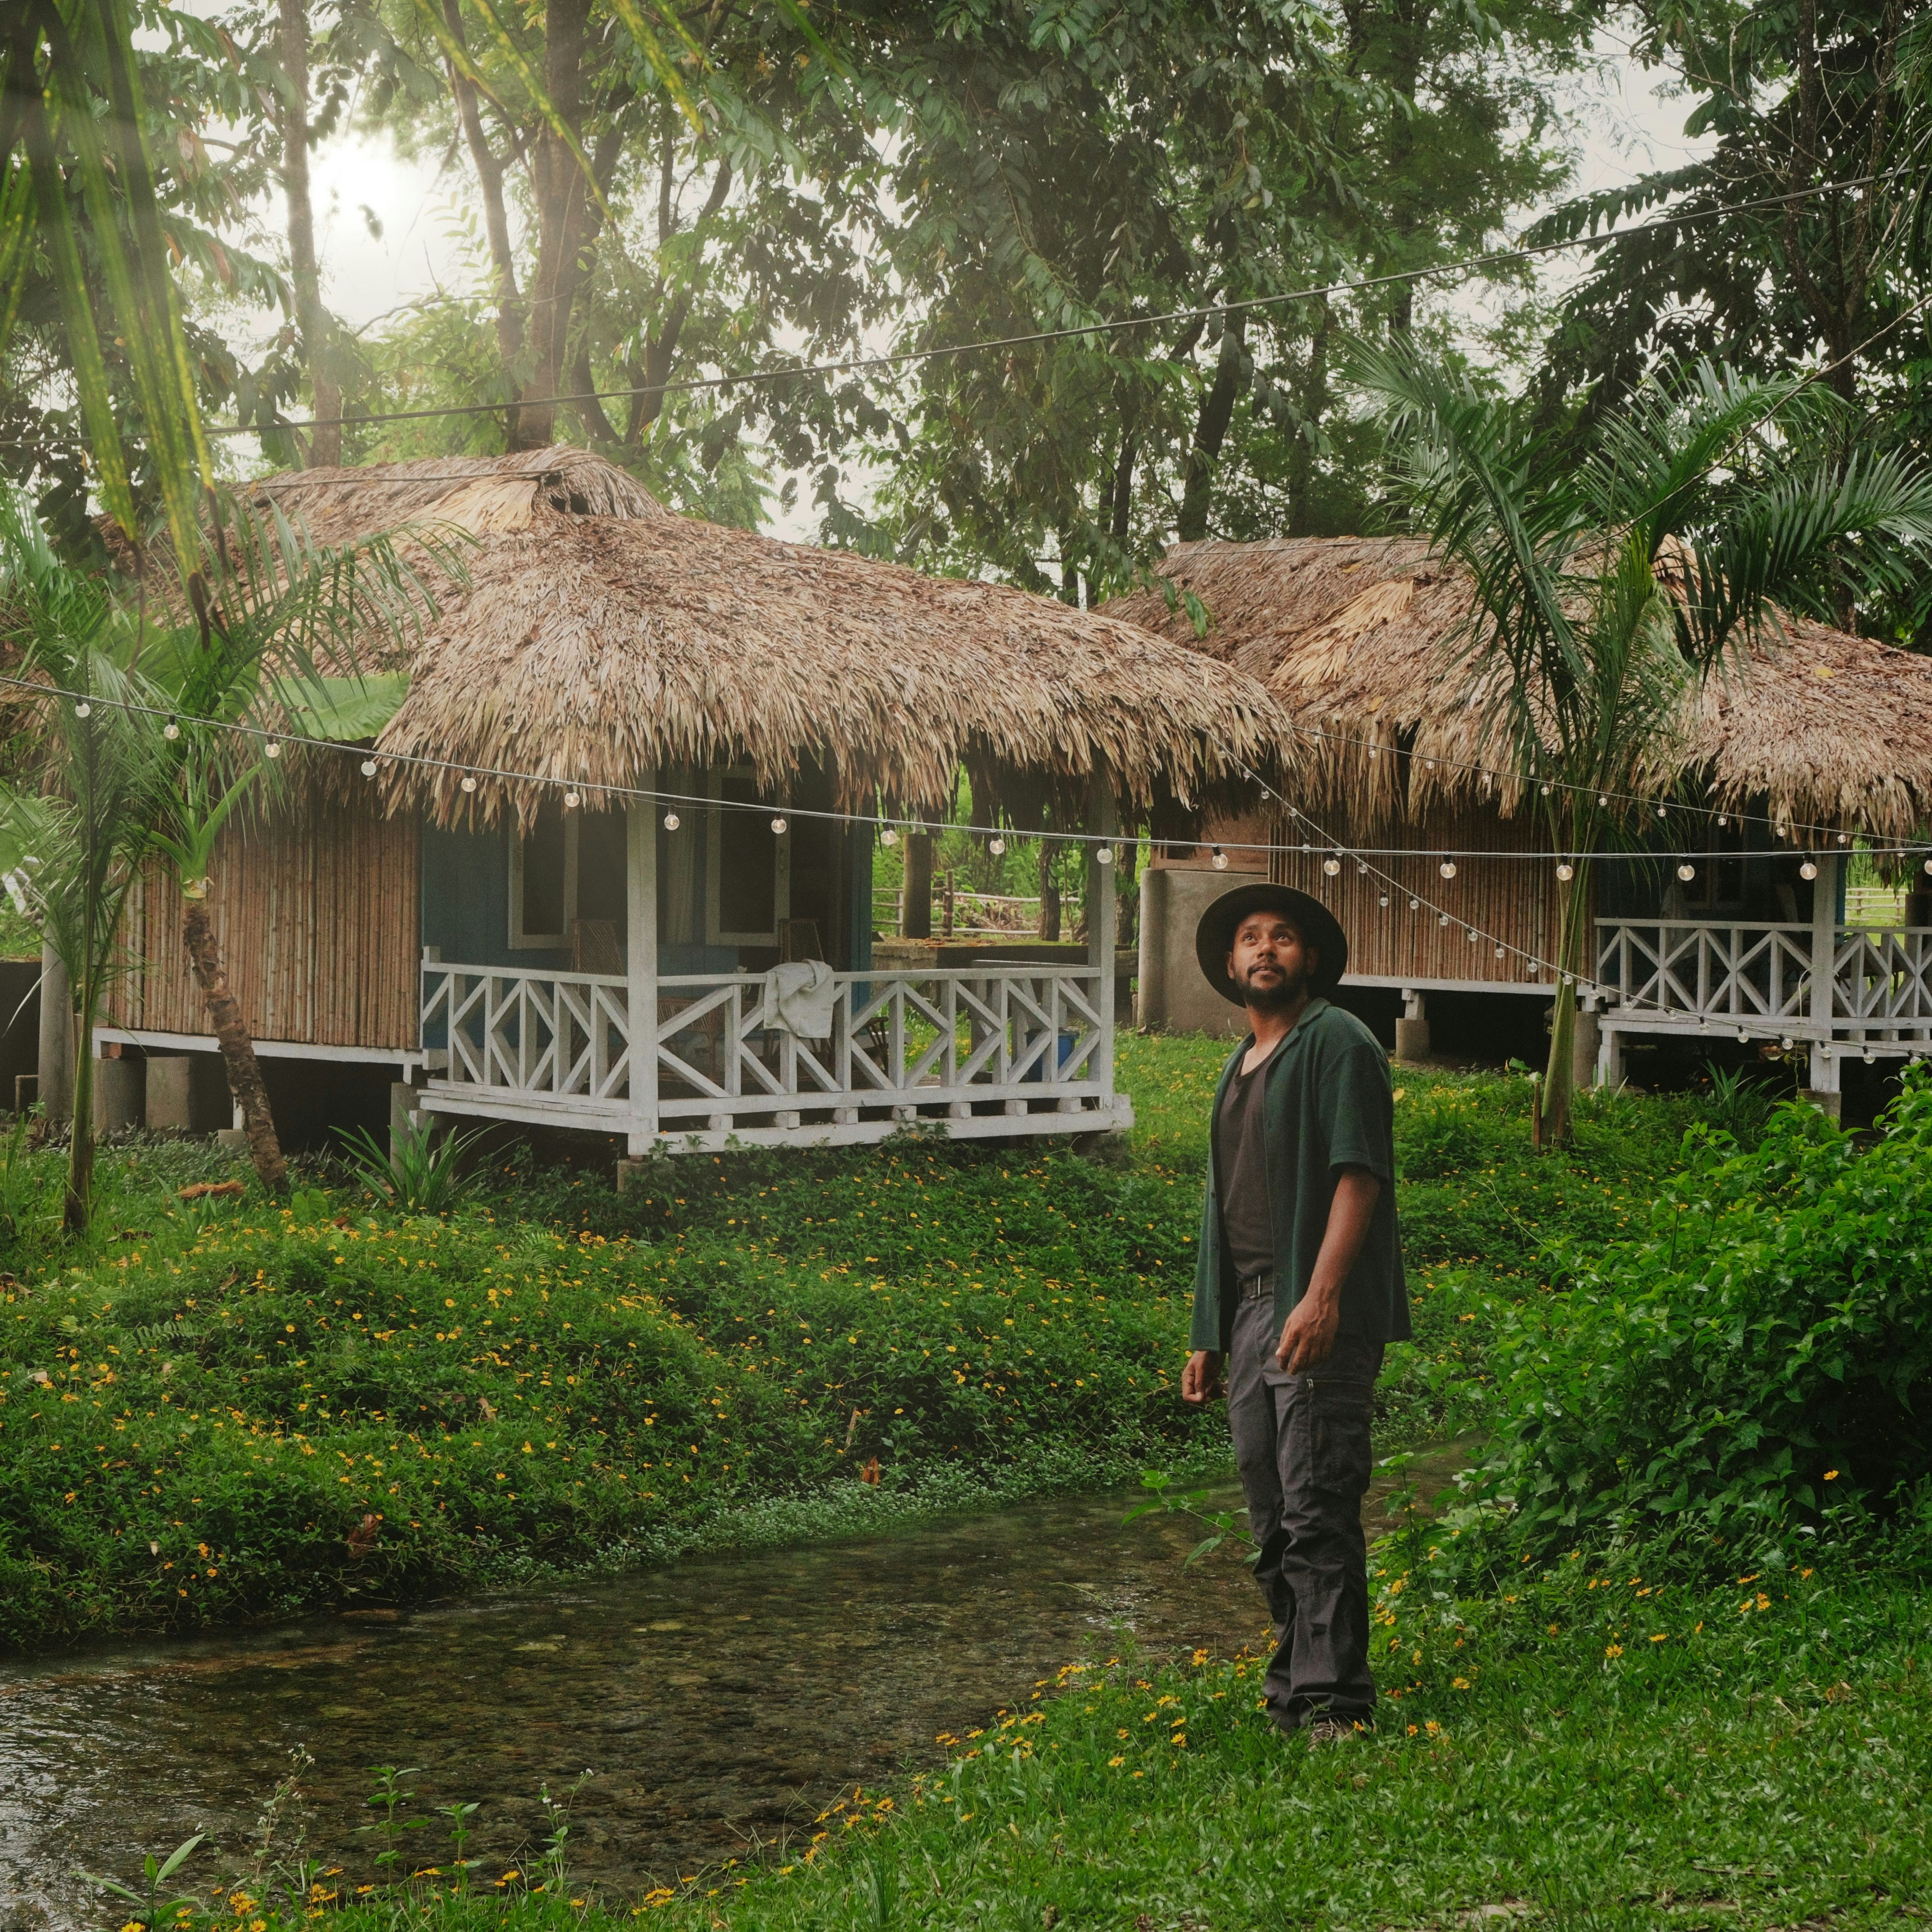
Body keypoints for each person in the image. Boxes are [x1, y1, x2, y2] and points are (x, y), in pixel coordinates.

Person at [1180, 882, 1410, 1744]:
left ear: (1309, 958)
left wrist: (1322, 1296)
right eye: (1250, 938)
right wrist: (1208, 1333)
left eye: (1282, 937)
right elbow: (1222, 1207)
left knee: (1318, 1502)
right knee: (1271, 1513)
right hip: (1249, 1313)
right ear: (1231, 963)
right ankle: (1292, 1692)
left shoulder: (1337, 1041)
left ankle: (1336, 1705)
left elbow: (1360, 1174)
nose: (1265, 948)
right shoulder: (1238, 1065)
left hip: (1314, 1305)